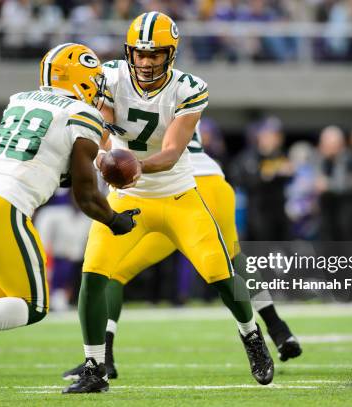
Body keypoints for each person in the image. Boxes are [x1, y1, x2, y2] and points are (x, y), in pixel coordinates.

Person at [63, 12, 274, 394]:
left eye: (154, 54)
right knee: (93, 275)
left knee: (221, 274)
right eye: (139, 54)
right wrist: (105, 154)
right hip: (126, 199)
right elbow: (102, 127)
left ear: (170, 54)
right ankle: (95, 365)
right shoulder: (109, 77)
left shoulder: (189, 88)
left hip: (177, 195)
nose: (145, 62)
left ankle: (251, 334)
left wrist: (135, 165)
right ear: (129, 53)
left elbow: (174, 151)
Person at [0, 43, 139, 401]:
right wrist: (115, 220)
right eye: (94, 79)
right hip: (4, 204)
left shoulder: (20, 100)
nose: (98, 87)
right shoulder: (84, 115)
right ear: (81, 80)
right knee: (32, 306)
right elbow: (84, 194)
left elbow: (45, 160)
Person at [63, 120, 302, 381]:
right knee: (231, 262)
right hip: (211, 182)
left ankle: (103, 358)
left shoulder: (133, 92)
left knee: (116, 273)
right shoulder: (176, 93)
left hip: (175, 188)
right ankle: (279, 330)